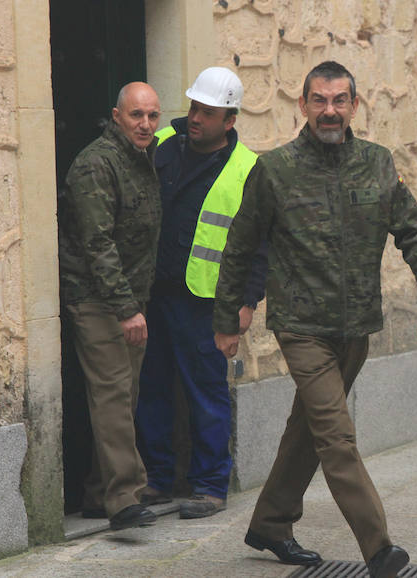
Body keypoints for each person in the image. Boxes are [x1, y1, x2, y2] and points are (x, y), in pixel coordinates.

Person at [212, 60, 417, 578]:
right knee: (338, 437)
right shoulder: (273, 171)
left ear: (354, 106)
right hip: (302, 327)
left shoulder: (378, 163)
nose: (329, 110)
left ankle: (271, 523)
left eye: (339, 100)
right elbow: (239, 247)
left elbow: (414, 230)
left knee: (310, 429)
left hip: (356, 329)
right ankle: (379, 548)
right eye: (318, 100)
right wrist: (228, 320)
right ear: (302, 105)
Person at [134, 67, 268, 519]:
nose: (195, 118)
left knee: (207, 393)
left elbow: (259, 245)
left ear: (229, 120)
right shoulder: (166, 148)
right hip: (157, 292)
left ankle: (211, 485)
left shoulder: (248, 169)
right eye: (193, 108)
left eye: (207, 112)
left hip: (206, 303)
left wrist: (247, 302)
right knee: (152, 389)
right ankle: (158, 479)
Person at [58, 82, 162, 531]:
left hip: (130, 298)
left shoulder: (143, 160)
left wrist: (134, 303)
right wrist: (124, 307)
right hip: (98, 299)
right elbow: (97, 243)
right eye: (136, 115)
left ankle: (100, 495)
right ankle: (124, 498)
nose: (145, 124)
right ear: (117, 116)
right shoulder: (97, 163)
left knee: (125, 394)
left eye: (152, 116)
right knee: (114, 395)